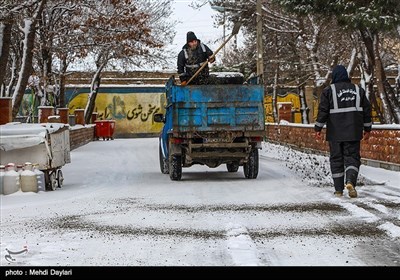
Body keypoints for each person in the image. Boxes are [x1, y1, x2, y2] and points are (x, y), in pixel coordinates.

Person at [314, 65, 372, 198]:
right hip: (353, 132)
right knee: (352, 158)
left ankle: (338, 190)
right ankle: (350, 181)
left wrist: (318, 128)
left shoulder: (329, 91)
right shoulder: (359, 90)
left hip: (335, 133)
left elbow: (323, 111)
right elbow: (367, 112)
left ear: (334, 76)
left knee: (336, 160)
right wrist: (367, 129)